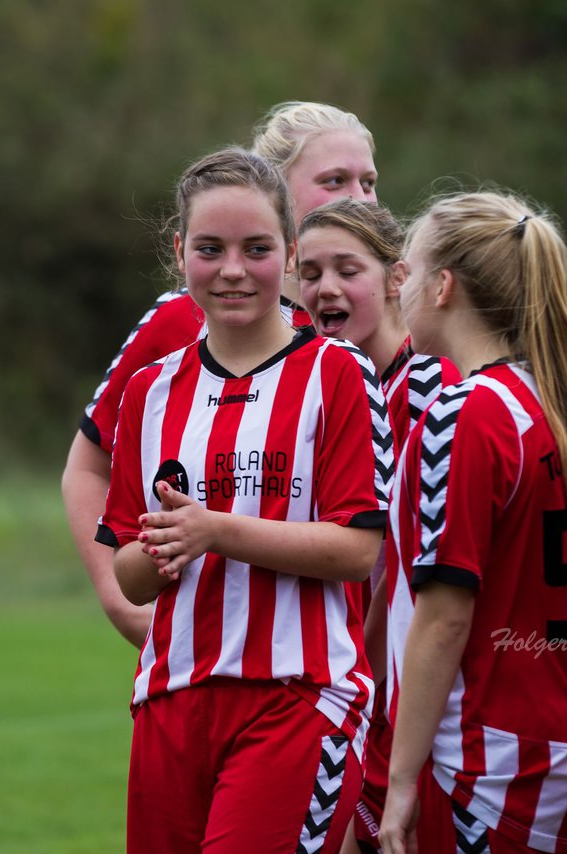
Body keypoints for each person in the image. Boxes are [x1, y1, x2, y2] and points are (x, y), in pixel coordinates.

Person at [96, 148, 392, 852]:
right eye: (210, 249)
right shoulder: (151, 391)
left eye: (256, 249)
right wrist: (164, 543)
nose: (232, 270)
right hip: (170, 704)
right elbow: (129, 573)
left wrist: (214, 530)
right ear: (180, 254)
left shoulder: (337, 372)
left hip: (297, 698)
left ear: (289, 253)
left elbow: (358, 549)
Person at [64, 101, 380, 648]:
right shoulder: (176, 322)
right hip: (205, 651)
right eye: (334, 180)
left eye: (368, 181)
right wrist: (122, 601)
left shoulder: (364, 326)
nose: (359, 197)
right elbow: (88, 468)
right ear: (273, 190)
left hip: (336, 649)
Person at [378, 192, 567, 853]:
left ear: (443, 286)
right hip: (560, 742)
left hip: (480, 759)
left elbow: (446, 616)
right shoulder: (558, 403)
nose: (395, 284)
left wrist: (399, 780)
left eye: (407, 267)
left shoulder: (465, 413)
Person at [296, 198, 461, 854]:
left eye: (346, 269)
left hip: (395, 699)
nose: (325, 288)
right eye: (308, 272)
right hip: (344, 691)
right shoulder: (318, 383)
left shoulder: (429, 388)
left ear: (398, 278)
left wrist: (351, 671)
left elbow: (397, 567)